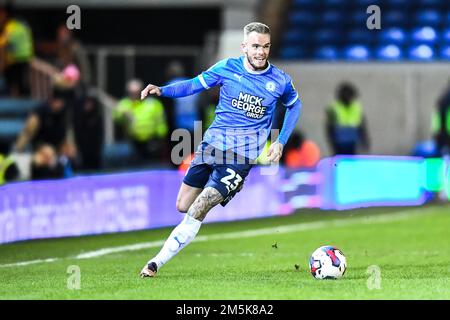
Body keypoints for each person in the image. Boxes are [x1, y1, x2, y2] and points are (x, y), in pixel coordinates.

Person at [139, 22, 302, 278]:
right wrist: (163, 90)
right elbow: (194, 85)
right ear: (244, 46)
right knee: (183, 205)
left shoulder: (280, 81)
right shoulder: (227, 68)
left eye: (266, 46)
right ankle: (206, 204)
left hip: (241, 157)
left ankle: (154, 263)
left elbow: (295, 105)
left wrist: (280, 140)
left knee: (200, 206)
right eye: (256, 46)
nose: (261, 52)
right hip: (211, 146)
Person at [113, 79, 168, 163]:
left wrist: (160, 139)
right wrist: (122, 114)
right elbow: (117, 118)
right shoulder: (125, 103)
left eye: (136, 92)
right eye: (131, 93)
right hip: (132, 141)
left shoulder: (153, 104)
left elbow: (160, 123)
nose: (134, 95)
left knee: (150, 165)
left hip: (151, 141)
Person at [325, 82, 370, 155]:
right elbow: (329, 127)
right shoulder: (334, 107)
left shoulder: (357, 107)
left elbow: (362, 126)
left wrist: (364, 140)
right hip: (339, 141)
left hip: (352, 141)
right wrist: (331, 142)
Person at [0, 3, 34, 97]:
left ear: (5, 14)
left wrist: (2, 65)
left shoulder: (10, 27)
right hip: (26, 59)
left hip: (16, 61)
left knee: (15, 87)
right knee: (23, 86)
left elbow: (2, 45)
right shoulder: (22, 24)